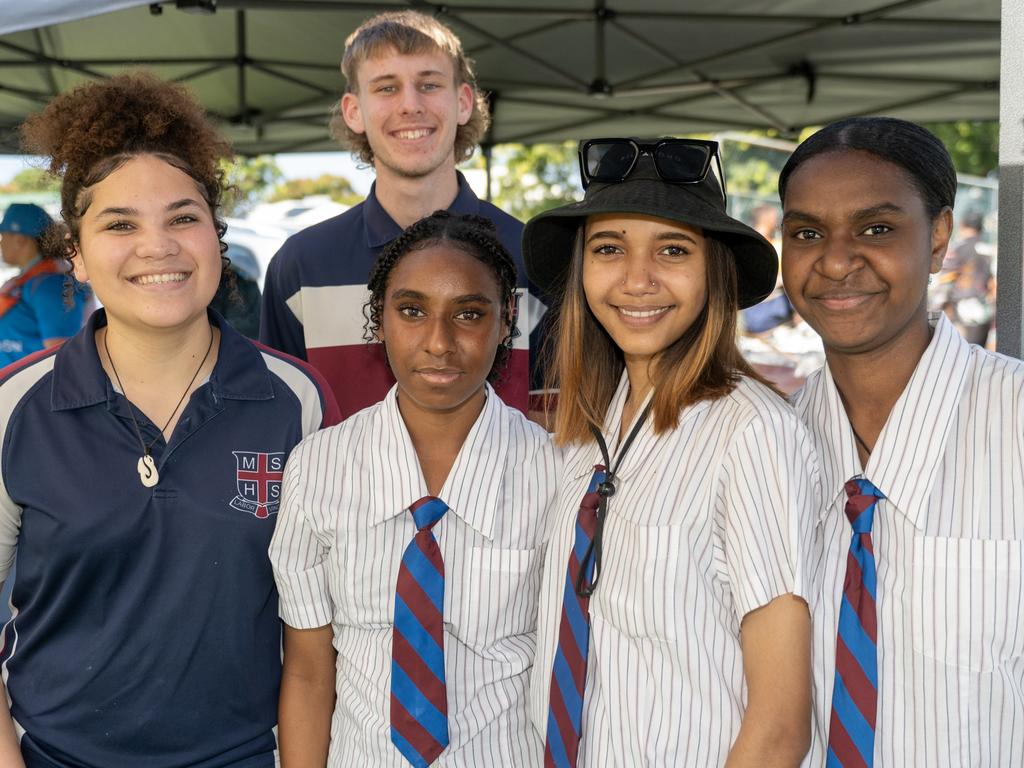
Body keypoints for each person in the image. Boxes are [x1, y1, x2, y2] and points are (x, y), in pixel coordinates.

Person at [0, 72, 339, 767]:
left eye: (183, 217)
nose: (157, 245)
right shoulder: (15, 405)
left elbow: (316, 647)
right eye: (119, 224)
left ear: (215, 237)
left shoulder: (297, 401)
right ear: (77, 257)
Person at [522, 137, 818, 766]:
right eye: (608, 249)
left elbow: (780, 725)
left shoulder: (753, 435)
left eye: (673, 250)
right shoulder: (588, 434)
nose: (637, 280)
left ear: (715, 272)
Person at [778, 117, 1024, 767]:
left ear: (939, 237)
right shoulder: (769, 448)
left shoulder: (1016, 424)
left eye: (876, 229)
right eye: (806, 233)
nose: (835, 260)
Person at [270, 211, 556, 766]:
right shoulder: (319, 469)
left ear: (507, 323)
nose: (439, 342)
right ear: (378, 319)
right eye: (411, 311)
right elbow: (307, 671)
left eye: (469, 314)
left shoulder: (554, 475)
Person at [260, 10, 545, 420]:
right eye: (387, 87)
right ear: (353, 111)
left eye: (429, 84)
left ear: (463, 102)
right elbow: (282, 426)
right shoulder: (300, 265)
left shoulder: (532, 255)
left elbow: (559, 428)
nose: (410, 105)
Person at [0, 203, 89, 366]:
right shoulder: (28, 281)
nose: (1, 244)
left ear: (20, 240)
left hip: (29, 389)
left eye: (3, 237)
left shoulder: (50, 285)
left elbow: (62, 357)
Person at [930, 209, 993, 345]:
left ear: (962, 225)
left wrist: (935, 309)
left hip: (960, 312)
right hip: (983, 311)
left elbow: (946, 280)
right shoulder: (987, 249)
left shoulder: (959, 248)